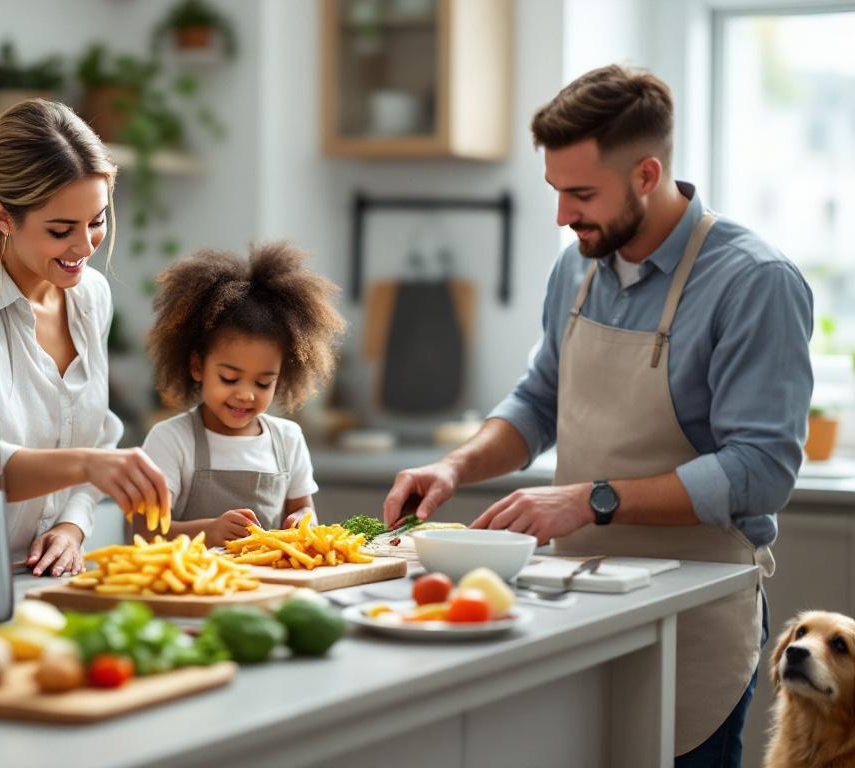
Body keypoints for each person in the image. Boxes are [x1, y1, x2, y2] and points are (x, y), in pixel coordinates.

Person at [381, 65, 813, 765]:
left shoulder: (754, 282)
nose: (562, 216)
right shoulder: (577, 266)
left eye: (581, 194)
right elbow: (537, 402)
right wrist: (455, 464)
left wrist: (591, 499)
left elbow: (761, 472)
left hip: (691, 616)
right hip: (576, 608)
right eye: (556, 191)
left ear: (647, 174)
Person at [0, 99, 169, 579]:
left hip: (48, 579)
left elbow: (96, 435)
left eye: (97, 221)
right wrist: (88, 466)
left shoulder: (90, 297)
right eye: (61, 229)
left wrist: (71, 525)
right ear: (3, 218)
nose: (85, 247)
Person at [140, 242, 346, 543]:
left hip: (269, 585)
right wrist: (209, 532)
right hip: (190, 587)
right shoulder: (171, 440)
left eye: (263, 383)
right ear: (198, 366)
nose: (246, 395)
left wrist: (303, 521)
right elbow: (143, 532)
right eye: (229, 378)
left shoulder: (288, 440)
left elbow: (306, 512)